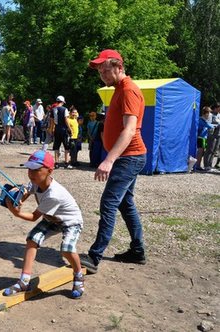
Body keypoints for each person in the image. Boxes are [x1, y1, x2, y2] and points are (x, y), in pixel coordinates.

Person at [80, 49, 148, 274]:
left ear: (120, 67)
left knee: (108, 203)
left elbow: (129, 131)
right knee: (125, 204)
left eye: (106, 70)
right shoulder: (118, 89)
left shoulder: (129, 90)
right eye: (100, 71)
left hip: (129, 157)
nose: (102, 75)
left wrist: (109, 160)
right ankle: (137, 251)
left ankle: (94, 256)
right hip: (126, 156)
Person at [3, 150, 85, 299]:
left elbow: (34, 216)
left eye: (36, 170)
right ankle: (24, 281)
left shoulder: (53, 194)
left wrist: (16, 213)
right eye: (29, 169)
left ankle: (78, 275)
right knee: (32, 240)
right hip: (51, 218)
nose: (31, 173)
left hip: (70, 221)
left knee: (66, 249)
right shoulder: (37, 182)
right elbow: (27, 189)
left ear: (50, 171)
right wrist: (19, 196)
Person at [52, 96, 70, 167]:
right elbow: (66, 119)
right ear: (62, 102)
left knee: (56, 146)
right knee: (66, 146)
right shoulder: (65, 109)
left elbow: (52, 120)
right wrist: (69, 128)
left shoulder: (53, 109)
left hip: (57, 128)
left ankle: (56, 163)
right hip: (64, 129)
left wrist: (52, 129)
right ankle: (66, 162)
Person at [195, 106, 214, 171]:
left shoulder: (204, 120)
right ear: (206, 113)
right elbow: (209, 126)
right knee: (200, 152)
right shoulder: (201, 120)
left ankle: (198, 165)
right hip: (200, 138)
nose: (209, 115)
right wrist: (216, 125)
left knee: (201, 152)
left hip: (203, 137)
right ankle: (197, 165)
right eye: (209, 113)